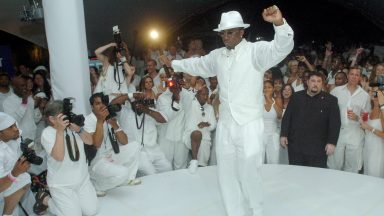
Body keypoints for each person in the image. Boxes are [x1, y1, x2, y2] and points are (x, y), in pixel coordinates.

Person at [160, 5, 294, 216]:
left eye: (230, 32)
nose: (226, 36)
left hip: (249, 123)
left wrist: (279, 23)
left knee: (250, 171)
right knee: (226, 174)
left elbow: (281, 48)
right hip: (226, 124)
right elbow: (199, 65)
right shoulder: (217, 56)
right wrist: (175, 64)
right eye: (223, 32)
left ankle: (256, 210)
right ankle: (234, 212)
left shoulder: (255, 52)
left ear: (242, 32)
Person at [34, 100, 98, 216]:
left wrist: (80, 130)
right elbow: (58, 156)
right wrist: (60, 131)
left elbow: (90, 141)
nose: (67, 118)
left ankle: (71, 203)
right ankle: (46, 199)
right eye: (62, 116)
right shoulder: (47, 133)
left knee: (91, 211)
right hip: (61, 184)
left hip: (82, 180)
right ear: (52, 119)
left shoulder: (73, 127)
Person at [84, 93, 140, 197]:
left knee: (135, 145)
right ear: (92, 106)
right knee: (123, 173)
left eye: (103, 103)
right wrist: (100, 121)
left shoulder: (108, 116)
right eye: (97, 104)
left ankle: (128, 179)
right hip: (97, 161)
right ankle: (97, 186)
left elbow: (125, 141)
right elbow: (96, 144)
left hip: (110, 155)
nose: (101, 106)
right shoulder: (88, 121)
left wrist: (115, 125)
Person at [280, 71, 341, 167]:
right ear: (307, 82)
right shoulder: (296, 97)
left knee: (315, 178)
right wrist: (283, 134)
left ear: (322, 84)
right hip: (296, 146)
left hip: (318, 148)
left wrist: (332, 143)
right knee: (295, 175)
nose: (315, 84)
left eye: (319, 81)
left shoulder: (331, 100)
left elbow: (335, 123)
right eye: (313, 81)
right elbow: (287, 117)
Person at [327, 67, 370, 173]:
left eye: (357, 75)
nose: (354, 77)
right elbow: (329, 112)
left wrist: (358, 117)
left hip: (355, 132)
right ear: (348, 76)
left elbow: (366, 116)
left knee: (352, 166)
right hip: (338, 132)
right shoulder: (336, 91)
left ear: (360, 77)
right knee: (334, 164)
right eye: (352, 74)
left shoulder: (365, 95)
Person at [0, 112, 31, 216]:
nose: (15, 128)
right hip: (3, 189)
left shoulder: (13, 137)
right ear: (0, 133)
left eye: (15, 125)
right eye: (10, 127)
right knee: (24, 178)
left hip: (9, 192)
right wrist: (15, 173)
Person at [183, 86, 217, 173]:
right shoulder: (191, 104)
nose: (205, 97)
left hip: (205, 139)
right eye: (203, 94)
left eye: (207, 95)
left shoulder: (209, 108)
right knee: (197, 133)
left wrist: (205, 124)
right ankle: (194, 160)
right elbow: (186, 95)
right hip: (190, 136)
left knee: (202, 166)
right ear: (197, 94)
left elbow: (213, 125)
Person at [2, 76, 40, 141]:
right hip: (21, 138)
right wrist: (24, 103)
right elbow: (13, 122)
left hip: (34, 135)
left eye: (25, 85)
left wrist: (36, 107)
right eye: (22, 85)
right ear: (13, 87)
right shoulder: (7, 102)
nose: (25, 87)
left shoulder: (29, 98)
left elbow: (36, 119)